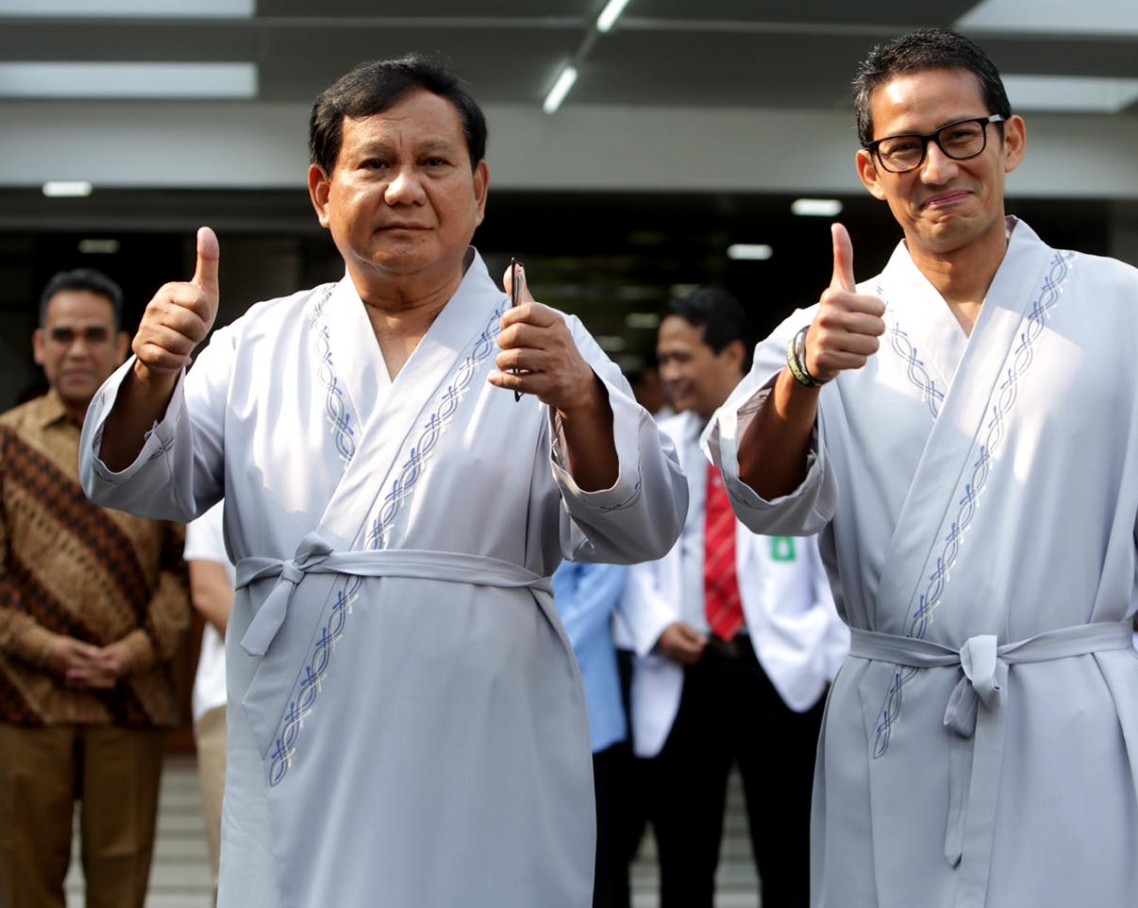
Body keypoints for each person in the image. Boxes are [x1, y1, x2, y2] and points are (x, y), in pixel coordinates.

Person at [704, 28, 1138, 908]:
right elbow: (761, 499)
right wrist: (805, 375)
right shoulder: (825, 330)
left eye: (960, 136)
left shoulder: (1120, 306)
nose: (936, 168)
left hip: (1084, 723)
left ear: (1009, 140)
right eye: (905, 148)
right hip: (897, 725)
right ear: (871, 170)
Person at [77, 56, 687, 908]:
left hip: (487, 727)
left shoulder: (550, 342)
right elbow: (134, 484)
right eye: (375, 163)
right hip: (304, 728)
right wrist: (151, 371)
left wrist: (581, 400)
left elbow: (644, 527)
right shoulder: (258, 343)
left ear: (478, 189)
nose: (405, 189)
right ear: (323, 192)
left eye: (434, 162)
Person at [620, 288, 848, 908]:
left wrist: (824, 649)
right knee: (683, 860)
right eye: (664, 360)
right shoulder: (655, 439)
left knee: (789, 858)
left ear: (732, 354)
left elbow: (833, 548)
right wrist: (656, 626)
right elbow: (631, 550)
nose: (670, 373)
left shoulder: (789, 432)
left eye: (682, 357)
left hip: (779, 667)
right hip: (688, 667)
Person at [0, 268, 190, 908]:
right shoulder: (6, 442)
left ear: (120, 345)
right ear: (38, 345)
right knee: (24, 881)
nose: (77, 349)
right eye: (63, 335)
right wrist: (46, 650)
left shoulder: (160, 441)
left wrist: (132, 653)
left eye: (92, 335)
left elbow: (182, 569)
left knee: (122, 883)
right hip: (24, 703)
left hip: (130, 701)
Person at [552, 559, 633, 908]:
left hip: (587, 707)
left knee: (600, 860)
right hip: (518, 700)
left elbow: (605, 575)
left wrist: (542, 646)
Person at [184, 500, 232, 891]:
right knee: (233, 868)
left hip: (333, 700)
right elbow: (208, 592)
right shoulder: (217, 496)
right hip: (228, 701)